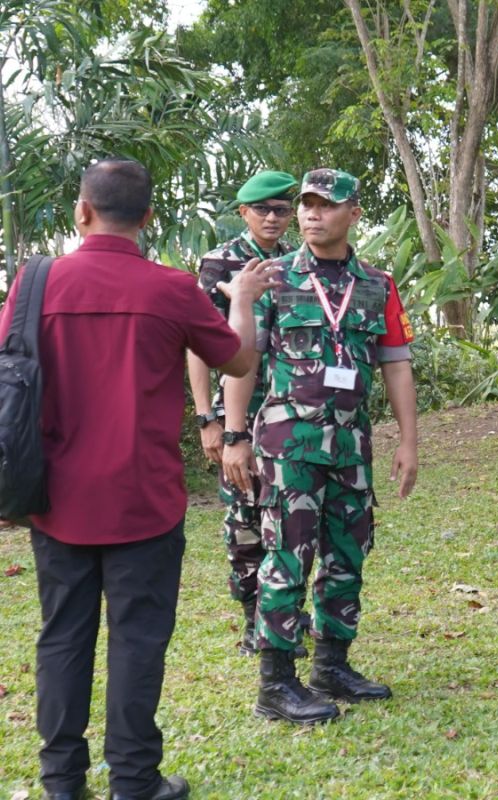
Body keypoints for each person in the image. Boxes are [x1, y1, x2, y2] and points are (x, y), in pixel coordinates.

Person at [0, 158, 277, 800]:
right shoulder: (170, 289)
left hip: (56, 501)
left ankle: (61, 783)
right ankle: (134, 780)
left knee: (62, 638)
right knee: (137, 642)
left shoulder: (35, 284)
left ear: (82, 209)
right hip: (143, 503)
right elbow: (238, 358)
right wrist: (240, 301)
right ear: (148, 218)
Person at [222, 168, 418, 724]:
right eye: (305, 204)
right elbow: (243, 361)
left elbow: (396, 364)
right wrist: (234, 435)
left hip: (351, 446)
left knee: (348, 553)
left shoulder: (377, 283)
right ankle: (276, 683)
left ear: (353, 213)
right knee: (287, 555)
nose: (310, 214)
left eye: (325, 205)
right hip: (288, 447)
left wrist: (408, 441)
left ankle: (332, 664)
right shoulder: (272, 277)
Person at [187, 170, 301, 657]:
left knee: (292, 512)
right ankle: (254, 618)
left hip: (290, 407)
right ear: (244, 213)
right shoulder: (221, 263)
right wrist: (206, 418)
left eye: (281, 209)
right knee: (245, 515)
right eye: (263, 210)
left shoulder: (300, 262)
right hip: (238, 410)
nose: (273, 218)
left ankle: (287, 612)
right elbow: (197, 344)